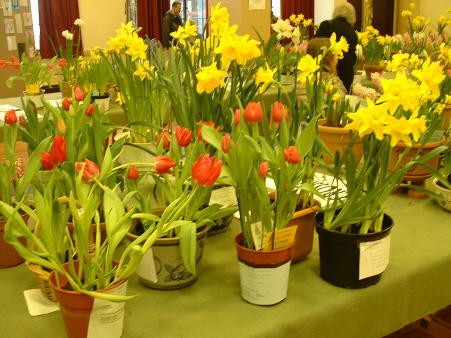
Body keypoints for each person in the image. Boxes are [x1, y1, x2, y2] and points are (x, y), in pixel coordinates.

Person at [315, 2, 358, 93]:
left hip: (326, 74)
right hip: (346, 77)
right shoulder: (353, 33)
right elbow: (353, 59)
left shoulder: (326, 25)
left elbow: (316, 47)